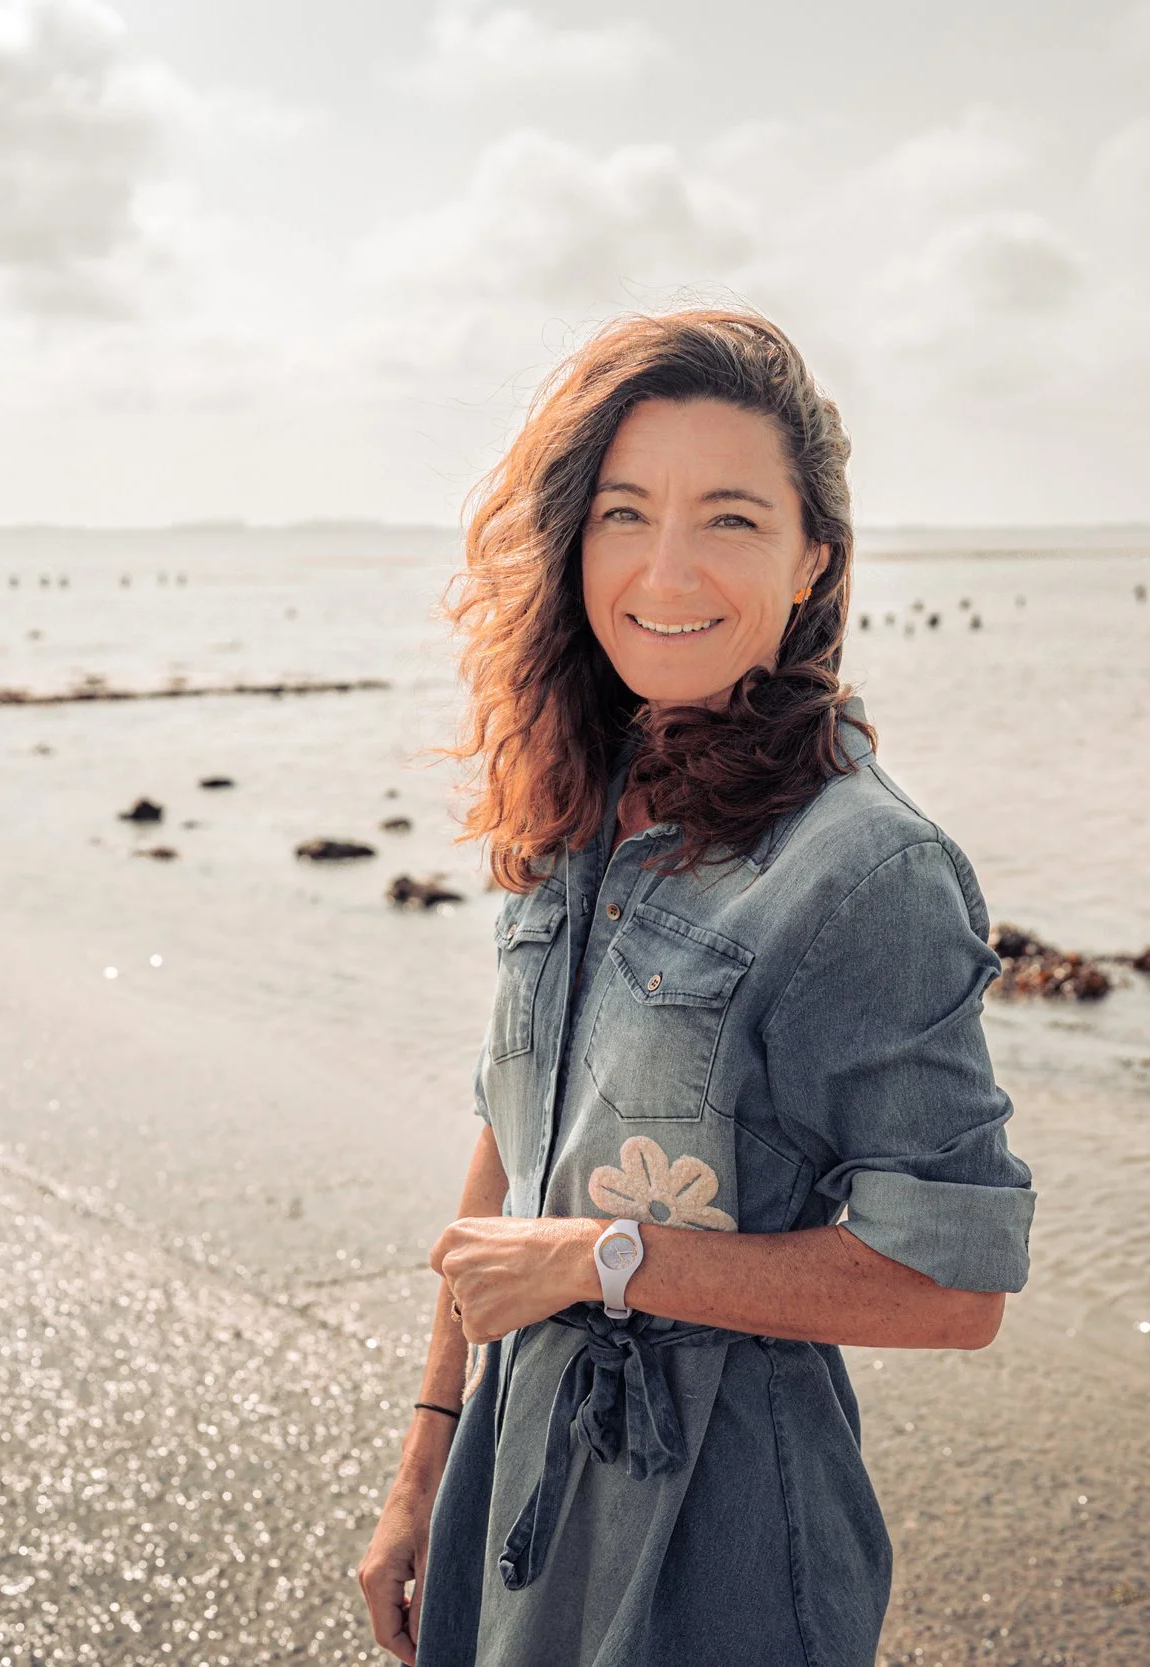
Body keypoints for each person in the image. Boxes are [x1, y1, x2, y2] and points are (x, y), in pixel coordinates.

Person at [357, 309, 1036, 1666]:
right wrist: (425, 1459)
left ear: (810, 562)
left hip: (718, 1534)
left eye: (729, 517)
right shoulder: (588, 794)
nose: (667, 568)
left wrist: (606, 1260)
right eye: (624, 512)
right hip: (519, 1470)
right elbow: (516, 1128)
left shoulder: (867, 869)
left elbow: (952, 1286)